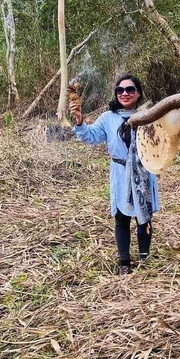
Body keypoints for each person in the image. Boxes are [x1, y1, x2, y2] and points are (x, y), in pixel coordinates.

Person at [70, 74, 160, 275]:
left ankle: (144, 257)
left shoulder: (149, 115)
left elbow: (161, 141)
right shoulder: (108, 118)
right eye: (120, 90)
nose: (125, 94)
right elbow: (90, 136)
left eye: (130, 90)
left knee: (144, 216)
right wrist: (79, 120)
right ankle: (124, 262)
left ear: (138, 93)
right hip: (120, 172)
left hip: (144, 170)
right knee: (121, 217)